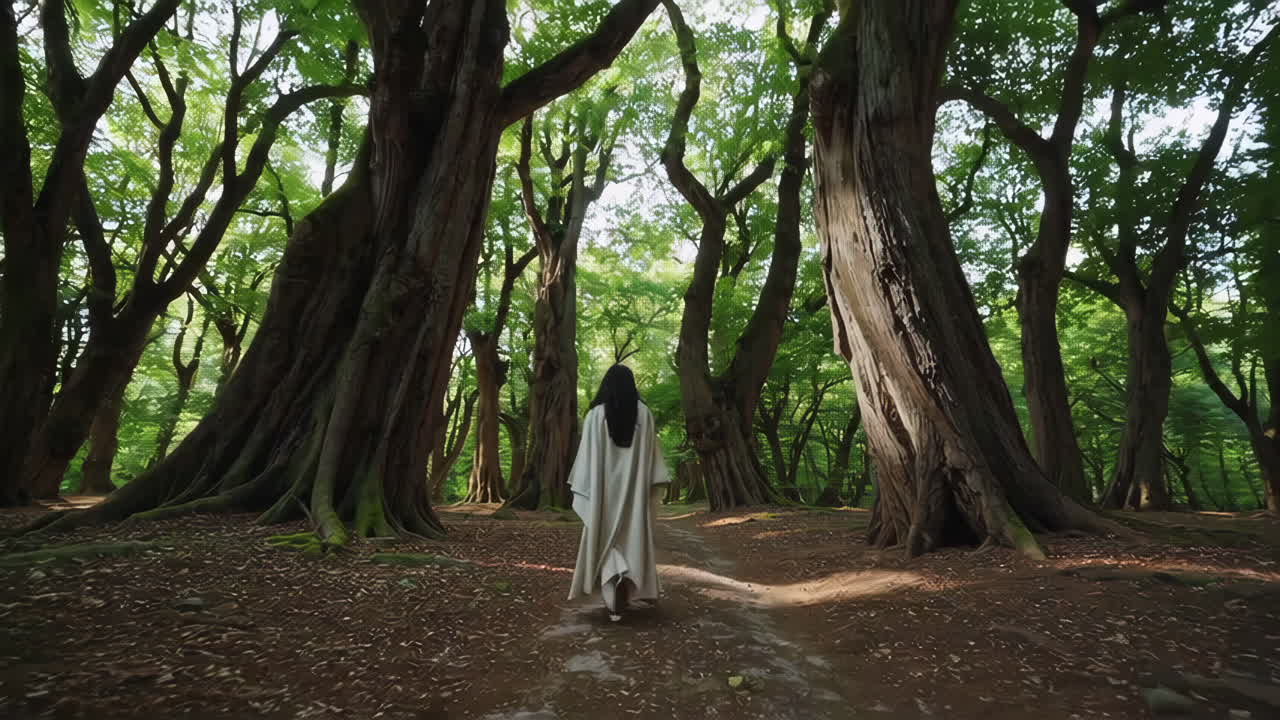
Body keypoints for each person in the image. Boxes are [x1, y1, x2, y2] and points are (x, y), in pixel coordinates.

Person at [567, 364, 670, 621]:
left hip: (602, 497)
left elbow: (587, 463)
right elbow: (651, 462)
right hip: (633, 498)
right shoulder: (644, 415)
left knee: (605, 539)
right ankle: (620, 598)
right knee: (629, 538)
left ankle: (613, 600)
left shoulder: (594, 416)